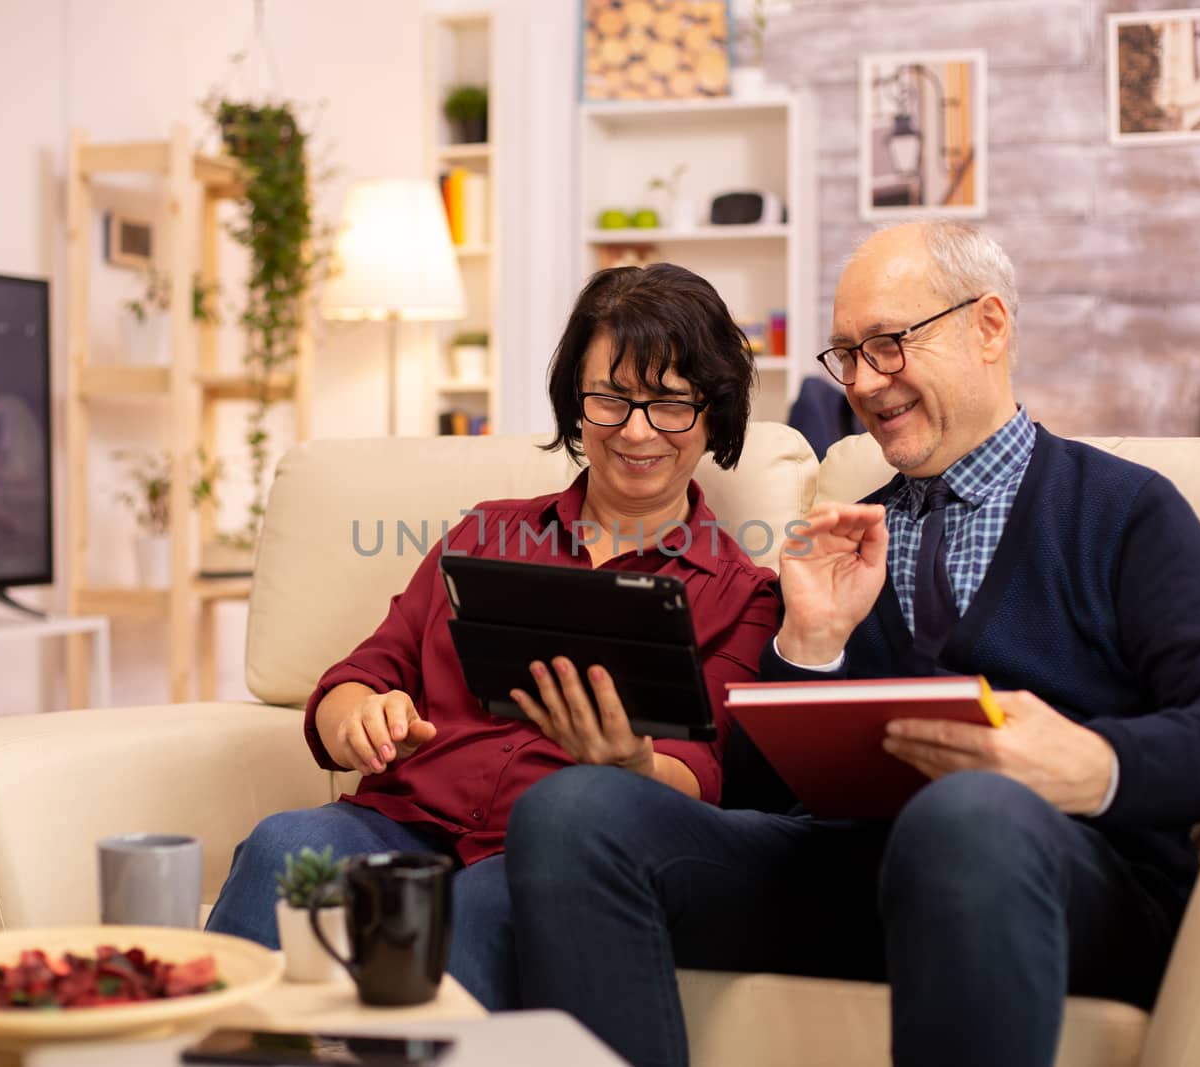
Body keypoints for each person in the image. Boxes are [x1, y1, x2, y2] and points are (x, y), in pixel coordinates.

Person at [503, 221, 1200, 1067]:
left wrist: (1094, 764)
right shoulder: (850, 535)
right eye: (846, 355)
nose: (862, 381)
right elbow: (749, 791)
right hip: (856, 869)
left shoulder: (1119, 510)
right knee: (573, 812)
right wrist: (808, 646)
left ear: (990, 326)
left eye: (887, 345)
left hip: (1055, 878)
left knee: (965, 813)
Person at [204, 263, 781, 1011]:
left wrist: (633, 763)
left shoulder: (743, 594)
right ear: (577, 404)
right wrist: (355, 715)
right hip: (396, 819)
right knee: (286, 844)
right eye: (610, 398)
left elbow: (706, 774)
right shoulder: (486, 533)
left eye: (669, 402)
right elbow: (364, 671)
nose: (637, 430)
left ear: (713, 414)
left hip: (541, 854)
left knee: (485, 908)